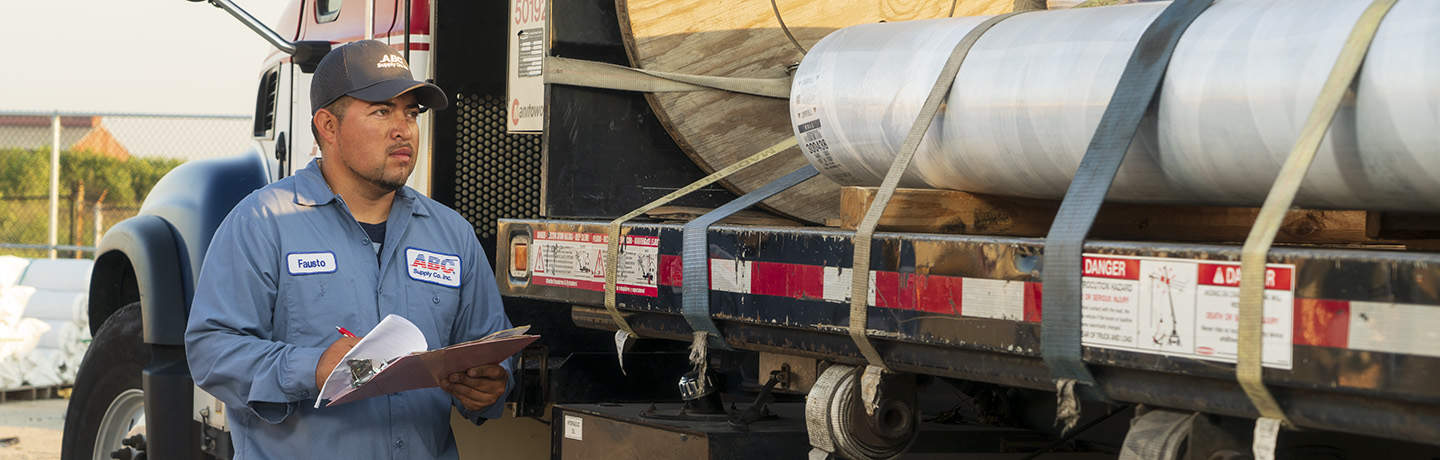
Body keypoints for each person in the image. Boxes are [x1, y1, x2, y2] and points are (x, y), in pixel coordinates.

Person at [184, 40, 513, 459]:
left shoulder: (452, 235)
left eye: (411, 113)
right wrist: (314, 368)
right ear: (328, 126)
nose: (404, 129)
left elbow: (490, 348)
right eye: (382, 110)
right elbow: (211, 351)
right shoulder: (263, 223)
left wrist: (492, 383)